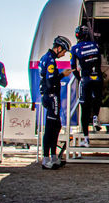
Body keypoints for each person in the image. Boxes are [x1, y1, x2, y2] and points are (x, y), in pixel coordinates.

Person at [39, 36, 74, 170]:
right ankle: (46, 158)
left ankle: (53, 156)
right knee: (50, 128)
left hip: (50, 95)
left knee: (56, 125)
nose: (64, 54)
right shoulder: (50, 60)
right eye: (64, 51)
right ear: (58, 48)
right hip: (51, 95)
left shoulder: (46, 58)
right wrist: (62, 75)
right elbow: (50, 81)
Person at [70, 25, 104, 147]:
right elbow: (99, 62)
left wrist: (79, 78)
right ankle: (95, 117)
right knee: (97, 98)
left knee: (84, 108)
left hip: (86, 79)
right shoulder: (95, 45)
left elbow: (73, 67)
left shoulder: (74, 49)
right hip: (98, 78)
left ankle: (86, 139)